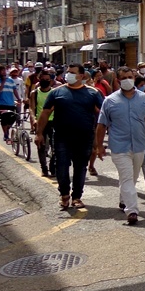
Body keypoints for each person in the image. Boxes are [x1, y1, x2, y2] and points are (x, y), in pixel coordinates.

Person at [95, 67, 145, 225]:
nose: (127, 79)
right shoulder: (109, 101)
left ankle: (123, 200)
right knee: (126, 176)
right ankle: (132, 210)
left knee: (131, 178)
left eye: (130, 77)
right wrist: (99, 146)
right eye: (124, 77)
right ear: (118, 80)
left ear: (134, 78)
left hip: (139, 145)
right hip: (119, 147)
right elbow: (101, 125)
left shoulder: (144, 99)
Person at [35, 63, 104, 210]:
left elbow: (103, 114)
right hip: (62, 137)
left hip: (84, 137)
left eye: (72, 72)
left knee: (80, 167)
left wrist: (99, 140)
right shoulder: (56, 92)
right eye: (68, 72)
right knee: (61, 165)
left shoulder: (93, 93)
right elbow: (45, 113)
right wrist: (39, 133)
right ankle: (64, 195)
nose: (69, 75)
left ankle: (77, 197)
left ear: (81, 76)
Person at [28, 70, 56, 177]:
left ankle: (53, 167)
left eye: (47, 80)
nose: (45, 81)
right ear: (39, 80)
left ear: (51, 81)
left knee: (56, 146)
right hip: (41, 123)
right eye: (43, 79)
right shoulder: (34, 93)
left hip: (53, 122)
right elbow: (31, 108)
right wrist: (34, 119)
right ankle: (44, 168)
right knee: (41, 146)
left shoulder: (54, 92)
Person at [0, 66, 20, 143]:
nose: (3, 72)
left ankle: (7, 129)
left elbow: (14, 90)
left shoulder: (11, 80)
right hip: (2, 103)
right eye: (2, 71)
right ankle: (6, 135)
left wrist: (18, 98)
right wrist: (3, 81)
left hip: (11, 103)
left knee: (13, 118)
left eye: (4, 70)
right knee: (4, 119)